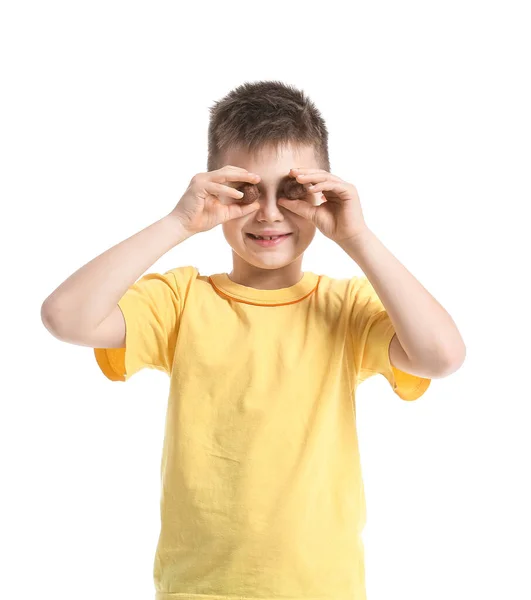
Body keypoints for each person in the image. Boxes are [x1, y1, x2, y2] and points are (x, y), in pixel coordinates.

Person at [41, 80, 466, 600]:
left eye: (288, 191)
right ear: (215, 189)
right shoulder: (180, 302)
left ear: (320, 191)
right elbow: (66, 316)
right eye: (245, 192)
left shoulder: (347, 308)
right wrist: (179, 222)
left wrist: (357, 237)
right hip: (199, 590)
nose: (267, 213)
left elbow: (441, 357)